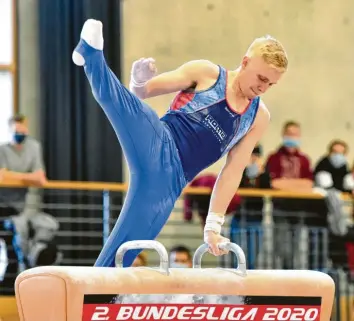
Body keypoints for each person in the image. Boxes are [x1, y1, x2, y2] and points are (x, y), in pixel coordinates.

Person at [72, 19, 288, 267]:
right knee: (116, 101)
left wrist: (213, 226)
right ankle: (91, 53)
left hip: (171, 184)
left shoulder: (258, 117)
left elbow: (233, 171)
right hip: (159, 141)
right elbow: (142, 93)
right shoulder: (207, 73)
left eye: (271, 84)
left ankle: (94, 299)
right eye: (261, 78)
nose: (263, 87)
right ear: (246, 61)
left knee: (125, 251)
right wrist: (139, 79)